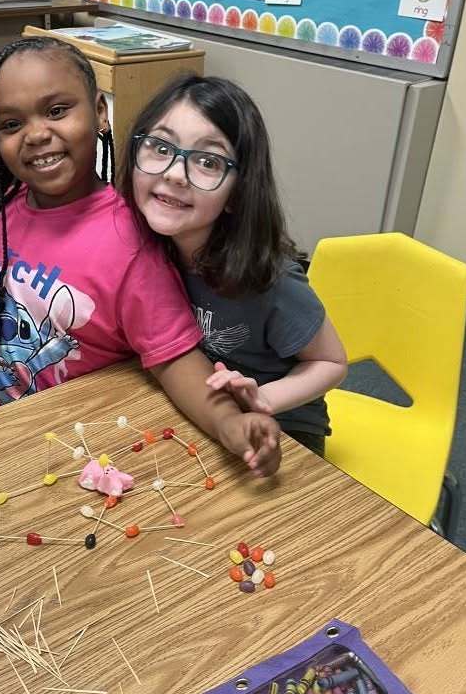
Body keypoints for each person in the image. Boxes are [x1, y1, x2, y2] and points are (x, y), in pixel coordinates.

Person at [0, 37, 281, 475]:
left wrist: (229, 422)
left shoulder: (128, 243)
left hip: (64, 433)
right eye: (11, 124)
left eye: (57, 111)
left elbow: (175, 360)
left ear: (100, 112)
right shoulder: (7, 207)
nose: (37, 134)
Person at [121, 74, 348, 457]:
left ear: (237, 194)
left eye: (208, 161)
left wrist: (262, 399)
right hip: (200, 406)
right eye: (161, 147)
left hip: (281, 426)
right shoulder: (143, 246)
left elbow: (331, 361)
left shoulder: (271, 279)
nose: (175, 173)